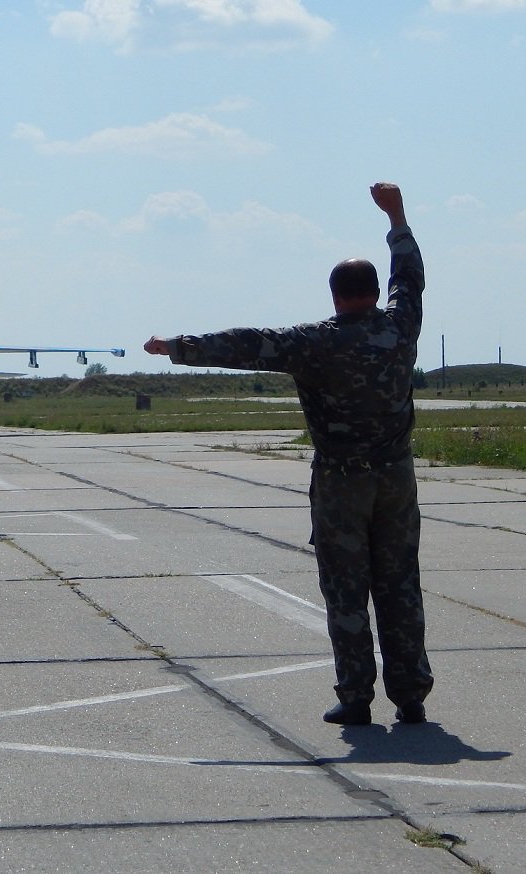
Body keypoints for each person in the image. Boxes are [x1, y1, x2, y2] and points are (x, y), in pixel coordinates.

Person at [144, 182, 432, 726]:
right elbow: (410, 277)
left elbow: (247, 343)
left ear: (335, 296)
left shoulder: (314, 342)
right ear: (374, 293)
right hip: (396, 480)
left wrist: (179, 347)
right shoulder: (400, 328)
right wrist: (396, 217)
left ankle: (356, 697)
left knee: (346, 588)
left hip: (342, 483)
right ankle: (411, 695)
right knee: (399, 585)